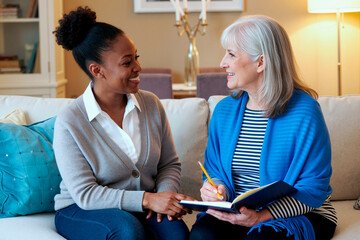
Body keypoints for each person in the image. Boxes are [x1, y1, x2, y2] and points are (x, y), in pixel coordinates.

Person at [189, 15, 337, 240]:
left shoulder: (305, 111)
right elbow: (216, 171)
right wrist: (216, 189)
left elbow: (313, 188)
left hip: (300, 212)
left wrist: (261, 216)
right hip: (240, 212)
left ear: (261, 62)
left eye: (231, 54)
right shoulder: (224, 110)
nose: (222, 63)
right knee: (202, 235)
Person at [52, 6, 194, 240]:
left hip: (141, 207)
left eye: (136, 57)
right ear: (97, 70)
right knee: (128, 231)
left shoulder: (151, 104)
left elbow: (169, 164)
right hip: (82, 209)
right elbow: (85, 194)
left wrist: (165, 199)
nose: (138, 67)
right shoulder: (70, 121)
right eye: (127, 62)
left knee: (176, 234)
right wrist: (148, 200)